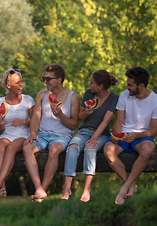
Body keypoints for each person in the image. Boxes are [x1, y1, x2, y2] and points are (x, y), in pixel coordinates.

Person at [23, 64, 80, 202]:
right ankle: (39, 188)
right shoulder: (42, 95)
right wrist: (32, 133)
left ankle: (43, 188)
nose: (45, 81)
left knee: (54, 150)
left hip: (62, 136)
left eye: (48, 79)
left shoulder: (72, 97)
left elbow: (74, 124)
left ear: (59, 80)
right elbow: (35, 116)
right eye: (44, 78)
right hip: (42, 135)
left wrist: (61, 115)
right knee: (27, 147)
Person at [61, 70, 119, 202]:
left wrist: (93, 138)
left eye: (92, 82)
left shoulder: (114, 98)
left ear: (100, 86)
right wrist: (86, 112)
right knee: (72, 147)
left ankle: (87, 189)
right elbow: (80, 117)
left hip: (101, 135)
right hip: (83, 131)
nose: (89, 84)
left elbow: (106, 121)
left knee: (90, 149)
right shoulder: (89, 93)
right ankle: (67, 187)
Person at [103, 66, 157, 205]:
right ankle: (129, 185)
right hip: (124, 135)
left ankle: (124, 187)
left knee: (148, 149)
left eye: (130, 85)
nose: (127, 87)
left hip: (142, 136)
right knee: (108, 150)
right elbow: (119, 121)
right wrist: (115, 134)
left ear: (141, 86)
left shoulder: (155, 100)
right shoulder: (124, 95)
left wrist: (136, 135)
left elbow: (154, 132)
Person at [0, 69, 35, 197]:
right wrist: (0, 124)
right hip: (7, 134)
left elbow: (36, 124)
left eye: (21, 82)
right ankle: (2, 186)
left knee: (11, 148)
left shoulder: (28, 100)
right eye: (17, 83)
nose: (21, 85)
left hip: (23, 134)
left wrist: (24, 122)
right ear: (8, 85)